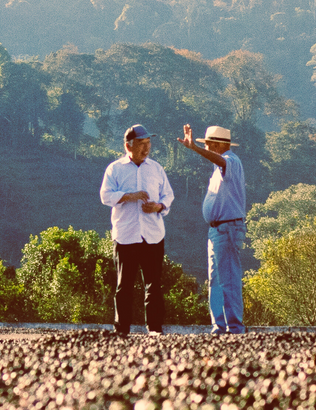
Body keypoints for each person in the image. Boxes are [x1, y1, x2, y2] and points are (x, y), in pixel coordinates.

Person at [99, 124, 174, 335]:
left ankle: (155, 330)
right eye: (141, 144)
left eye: (148, 143)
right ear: (128, 146)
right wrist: (130, 196)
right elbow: (105, 196)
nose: (146, 148)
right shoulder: (115, 169)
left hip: (152, 234)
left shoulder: (156, 168)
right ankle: (122, 329)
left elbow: (168, 195)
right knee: (124, 286)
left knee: (154, 284)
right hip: (126, 235)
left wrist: (158, 206)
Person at [177, 123, 247, 335]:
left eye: (207, 145)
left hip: (227, 228)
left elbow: (221, 160)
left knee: (228, 279)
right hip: (217, 230)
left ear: (216, 145)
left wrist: (195, 149)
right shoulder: (219, 169)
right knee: (216, 280)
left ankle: (234, 328)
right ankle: (220, 326)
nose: (206, 148)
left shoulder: (231, 161)